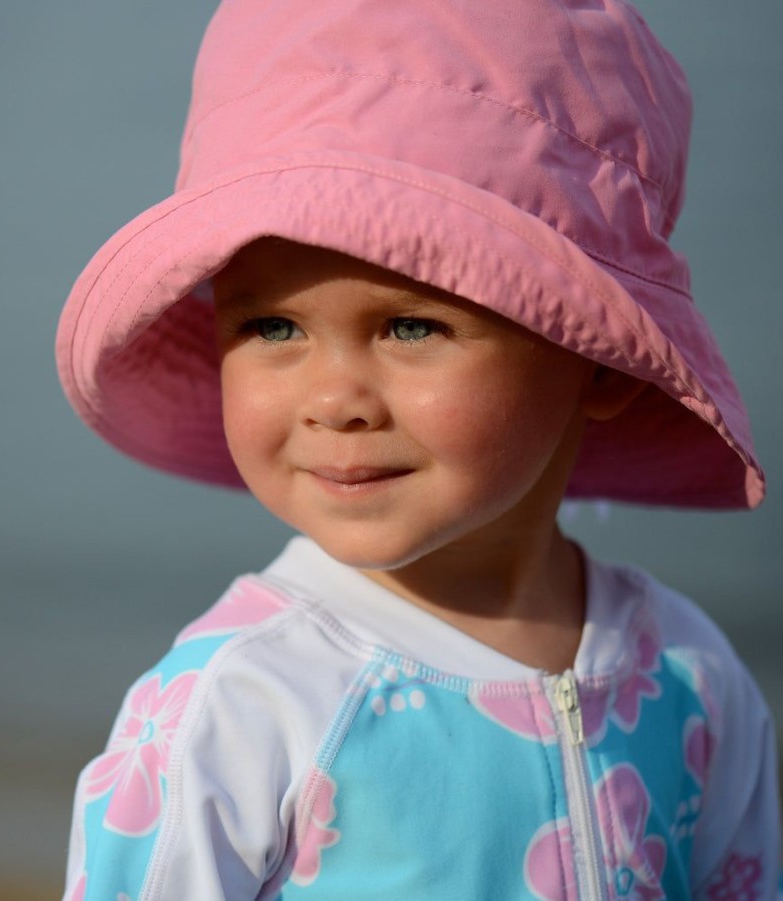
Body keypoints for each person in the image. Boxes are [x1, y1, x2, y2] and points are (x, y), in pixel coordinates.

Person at [55, 0, 780, 898]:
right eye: (273, 325)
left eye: (409, 326)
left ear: (601, 360)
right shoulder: (242, 703)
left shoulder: (687, 673)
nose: (334, 399)